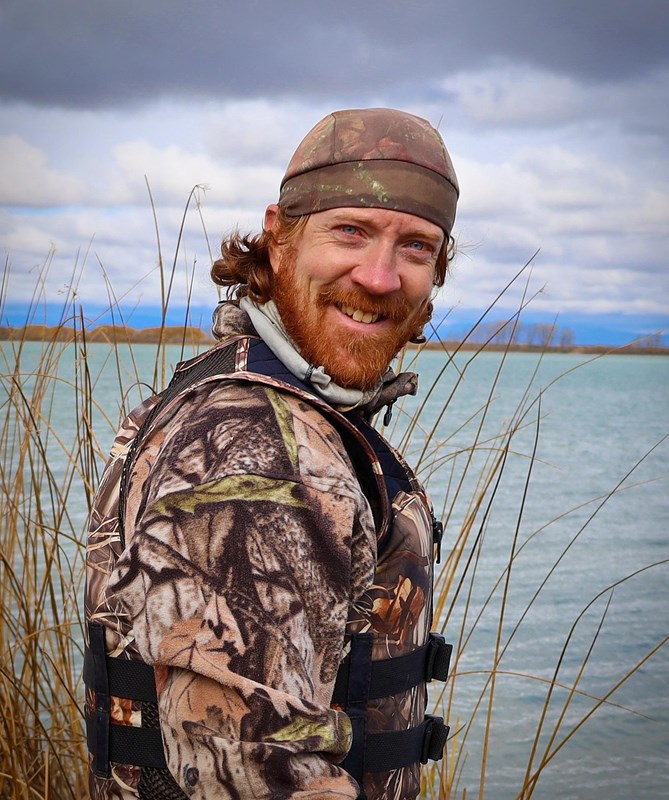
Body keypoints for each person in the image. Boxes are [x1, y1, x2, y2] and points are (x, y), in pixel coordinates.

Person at [84, 107, 459, 800]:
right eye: (350, 231)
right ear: (278, 237)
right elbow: (249, 776)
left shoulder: (234, 394)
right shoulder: (264, 453)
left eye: (415, 246)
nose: (379, 277)